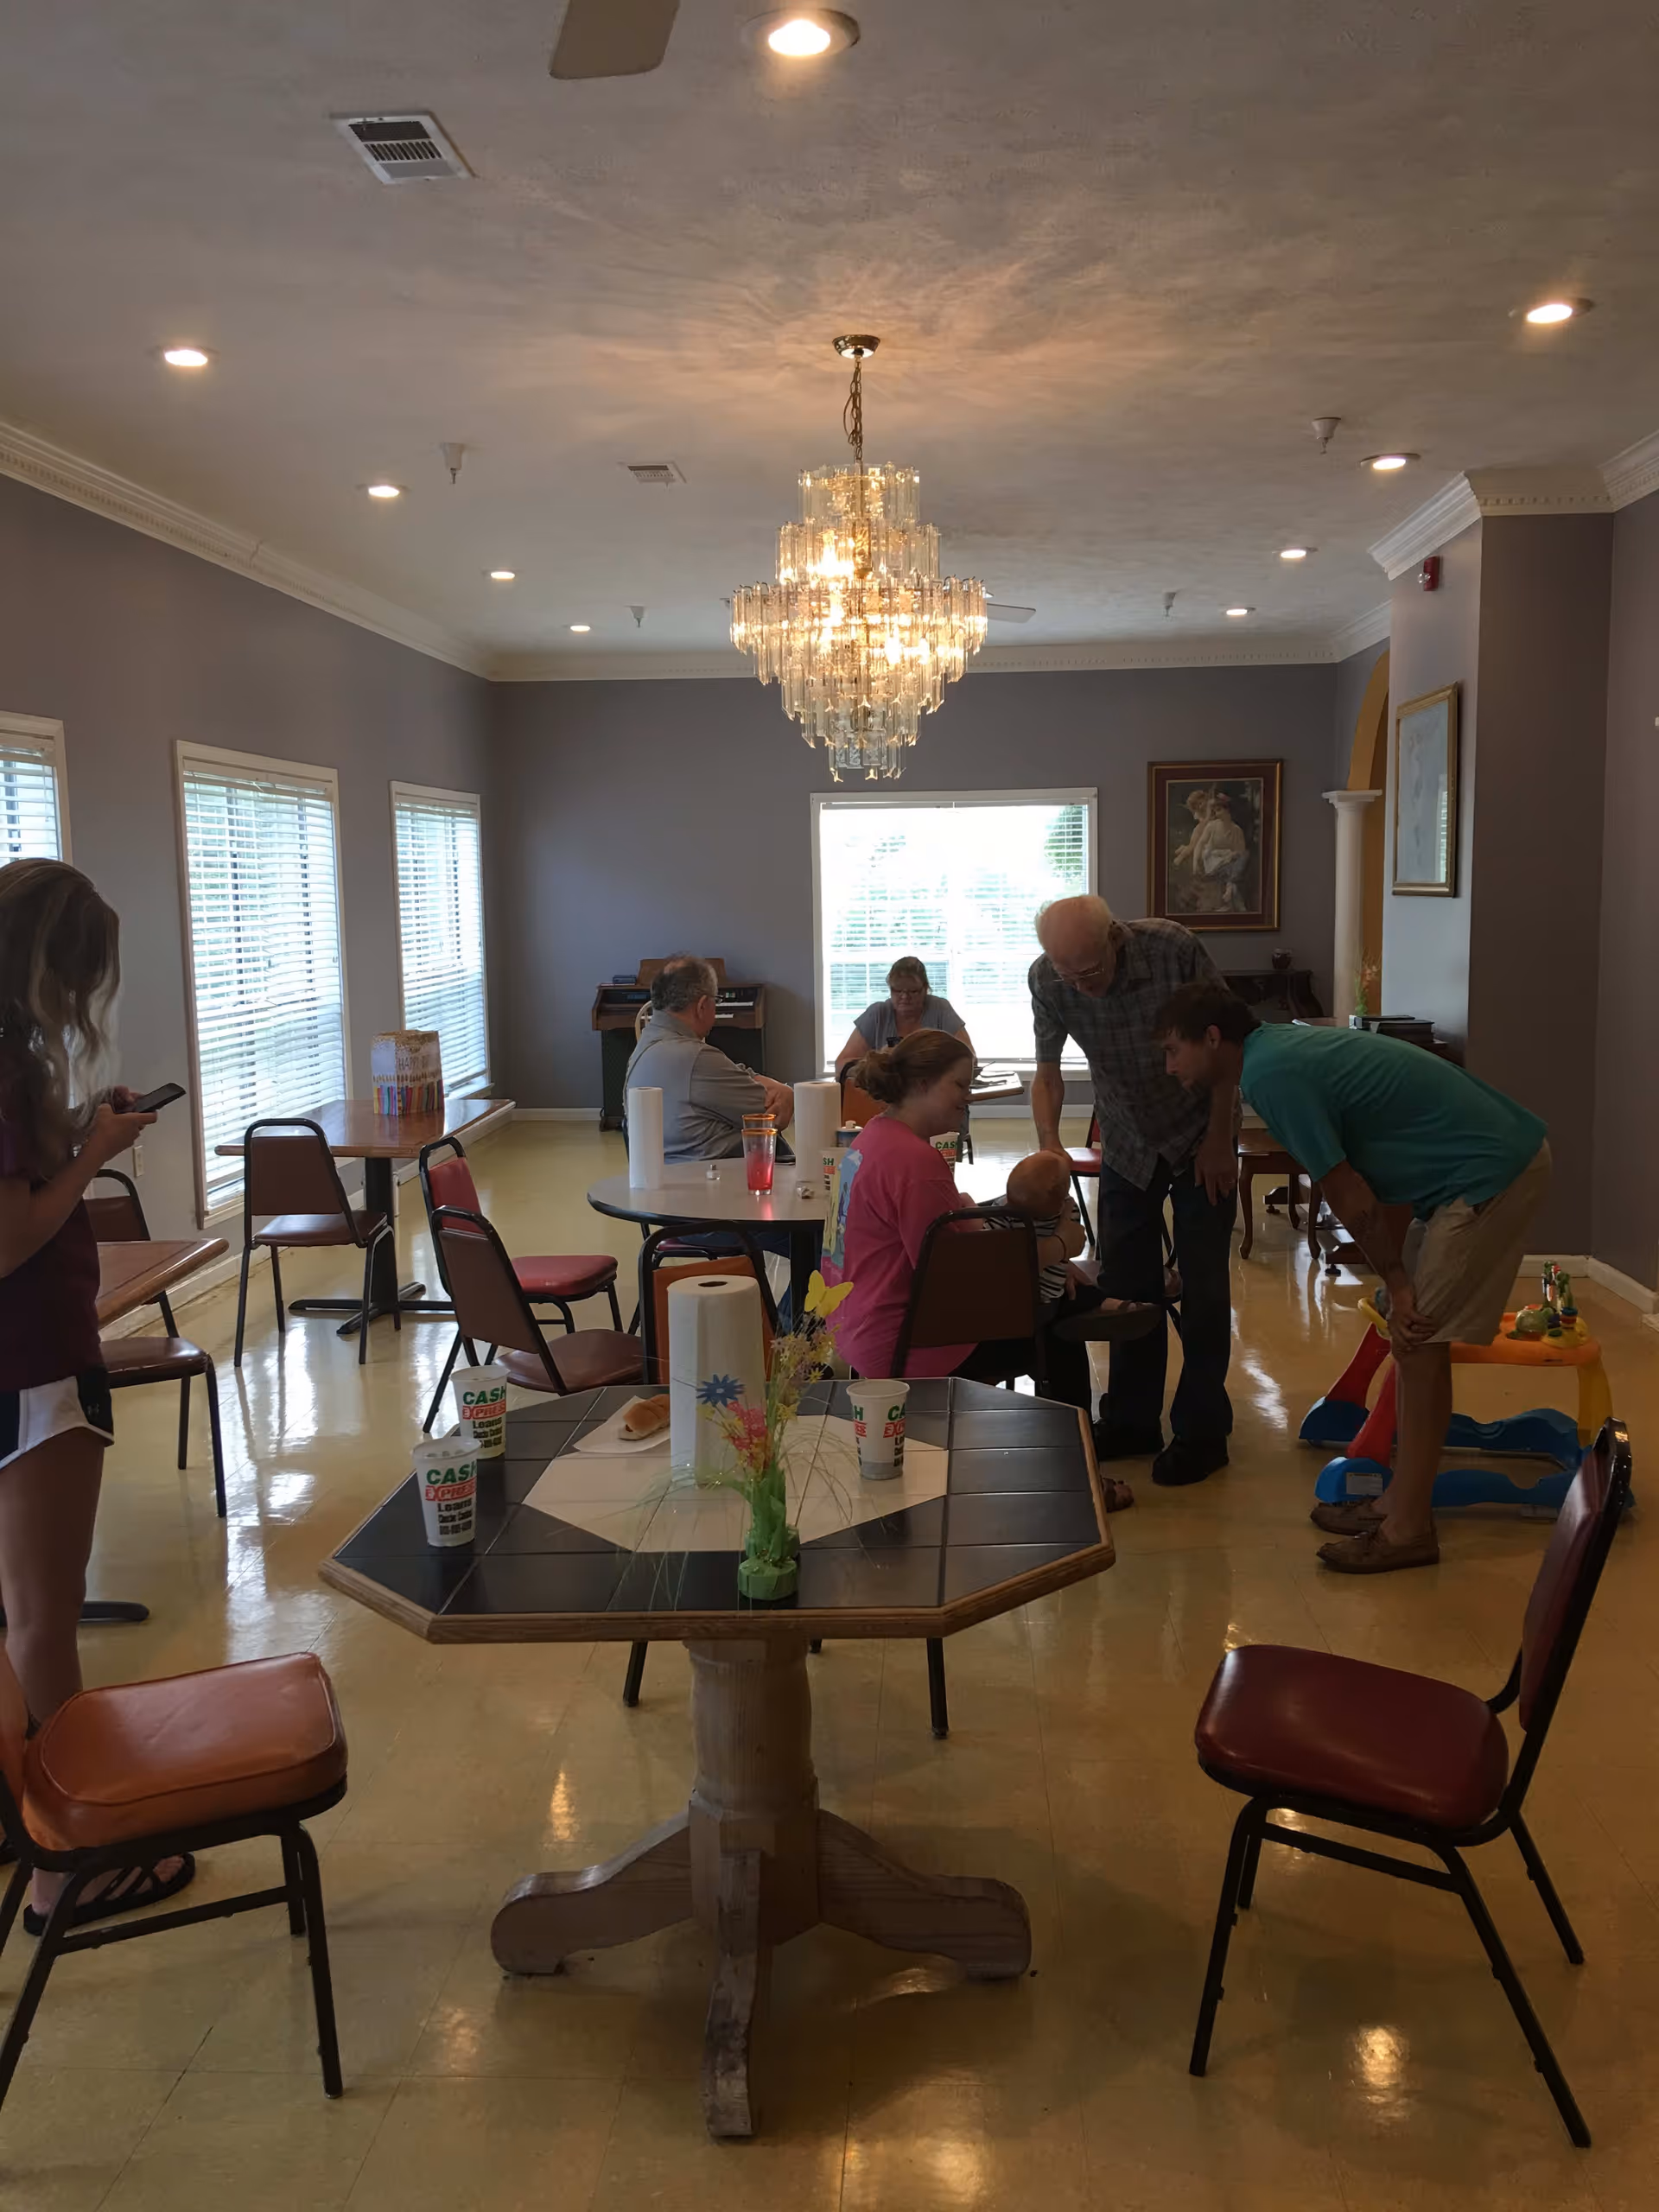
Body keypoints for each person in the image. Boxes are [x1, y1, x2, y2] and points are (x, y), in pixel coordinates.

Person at [1157, 979, 1551, 1574]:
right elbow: (1371, 1170)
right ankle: (1398, 1505)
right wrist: (1397, 1276)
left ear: (1212, 1038)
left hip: (1492, 1171)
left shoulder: (1271, 1074)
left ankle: (1408, 1530)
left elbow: (1346, 1190)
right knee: (1414, 1340)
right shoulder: (1274, 1051)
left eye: (1173, 1050)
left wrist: (1398, 1279)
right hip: (1468, 1173)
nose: (1169, 1066)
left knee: (1418, 1341)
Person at [0, 857, 192, 1930]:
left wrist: (76, 1133)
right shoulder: (5, 1065)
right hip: (31, 1362)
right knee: (44, 1618)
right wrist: (96, 1155)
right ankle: (68, 1862)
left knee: (17, 1611)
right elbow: (11, 1236)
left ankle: (25, 1815)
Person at [823, 1033, 1134, 1496]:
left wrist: (1038, 1260)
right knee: (1056, 1329)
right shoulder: (915, 1161)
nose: (967, 1098)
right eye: (959, 1085)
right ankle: (1077, 1477)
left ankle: (1093, 1308)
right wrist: (1057, 1248)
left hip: (856, 1327)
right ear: (923, 1084)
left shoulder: (871, 1138)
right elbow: (961, 1275)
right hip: (906, 1342)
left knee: (1051, 1294)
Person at [1028, 893, 1239, 1487]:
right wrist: (1050, 1144)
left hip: (1200, 1132)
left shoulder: (1172, 949)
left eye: (1090, 970)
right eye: (1069, 975)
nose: (1081, 986)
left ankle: (1202, 1432)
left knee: (1203, 1286)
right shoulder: (1047, 978)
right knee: (1127, 1286)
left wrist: (1220, 1139)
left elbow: (1230, 1047)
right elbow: (1047, 1074)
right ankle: (1131, 1420)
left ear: (1115, 938)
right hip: (1127, 1139)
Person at [626, 955, 795, 1161]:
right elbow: (771, 1115)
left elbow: (729, 1073)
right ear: (702, 1006)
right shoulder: (696, 1058)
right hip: (715, 1174)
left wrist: (772, 1085)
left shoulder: (644, 1047)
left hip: (667, 1171)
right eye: (716, 1001)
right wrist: (787, 1094)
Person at [832, 957, 974, 1078]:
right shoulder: (877, 1014)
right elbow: (841, 1065)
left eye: (913, 991)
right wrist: (878, 1064)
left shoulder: (940, 1009)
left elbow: (970, 1058)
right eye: (897, 990)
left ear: (925, 989)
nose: (905, 997)